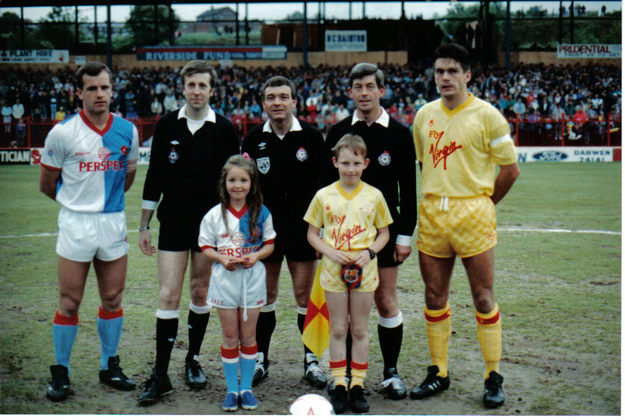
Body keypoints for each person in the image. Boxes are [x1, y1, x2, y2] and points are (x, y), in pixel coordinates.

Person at [410, 43, 520, 409]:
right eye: (439, 71)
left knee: (483, 297)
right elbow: (423, 163)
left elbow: (510, 169)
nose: (445, 77)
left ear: (468, 75)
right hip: (433, 214)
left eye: (452, 71)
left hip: (473, 212)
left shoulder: (488, 115)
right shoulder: (424, 115)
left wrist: (485, 204)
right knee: (433, 296)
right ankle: (439, 372)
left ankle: (492, 375)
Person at [137, 60, 240, 406]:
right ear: (182, 88)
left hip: (210, 225)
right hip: (174, 222)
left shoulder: (225, 129)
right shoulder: (167, 125)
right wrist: (144, 224)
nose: (197, 91)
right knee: (168, 294)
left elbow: (233, 184)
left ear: (212, 89)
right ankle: (160, 374)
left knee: (200, 291)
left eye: (203, 85)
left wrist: (232, 227)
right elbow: (154, 178)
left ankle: (192, 360)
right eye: (191, 85)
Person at [39, 61, 139, 402]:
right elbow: (47, 184)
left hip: (112, 222)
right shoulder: (63, 132)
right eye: (92, 88)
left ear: (112, 90)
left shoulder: (127, 129)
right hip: (76, 224)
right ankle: (61, 371)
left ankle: (109, 364)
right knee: (70, 301)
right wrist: (78, 204)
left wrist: (103, 203)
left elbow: (128, 177)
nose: (100, 94)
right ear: (78, 93)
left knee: (112, 298)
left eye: (105, 87)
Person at [325, 62, 417, 400]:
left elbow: (408, 189)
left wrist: (404, 236)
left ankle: (391, 373)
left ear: (381, 90)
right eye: (357, 87)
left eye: (370, 87)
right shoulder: (336, 133)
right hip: (344, 241)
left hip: (383, 237)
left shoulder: (398, 132)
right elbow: (326, 189)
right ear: (350, 92)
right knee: (346, 309)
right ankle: (345, 373)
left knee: (385, 300)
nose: (364, 93)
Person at [241, 76, 333, 389]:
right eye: (271, 97)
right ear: (263, 103)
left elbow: (325, 189)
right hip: (265, 231)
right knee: (265, 296)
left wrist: (322, 232)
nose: (277, 102)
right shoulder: (253, 139)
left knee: (304, 297)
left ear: (294, 101)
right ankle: (260, 359)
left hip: (303, 230)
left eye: (283, 96)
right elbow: (245, 186)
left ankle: (312, 361)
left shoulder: (311, 136)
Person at [304, 134, 392, 414]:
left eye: (356, 163)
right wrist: (329, 252)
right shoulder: (323, 195)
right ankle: (340, 384)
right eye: (345, 163)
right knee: (339, 327)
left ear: (365, 163)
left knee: (360, 328)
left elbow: (384, 232)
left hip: (364, 271)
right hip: (333, 270)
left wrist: (369, 253)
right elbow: (312, 233)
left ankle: (358, 385)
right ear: (335, 162)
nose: (350, 169)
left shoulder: (374, 195)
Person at [198, 154, 276, 412]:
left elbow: (269, 244)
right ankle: (232, 389)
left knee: (249, 335)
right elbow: (205, 245)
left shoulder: (261, 212)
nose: (238, 185)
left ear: (252, 183)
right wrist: (221, 257)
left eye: (244, 180)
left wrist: (255, 255)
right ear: (225, 183)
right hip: (224, 280)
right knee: (230, 336)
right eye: (233, 180)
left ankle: (247, 389)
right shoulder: (214, 215)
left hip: (252, 280)